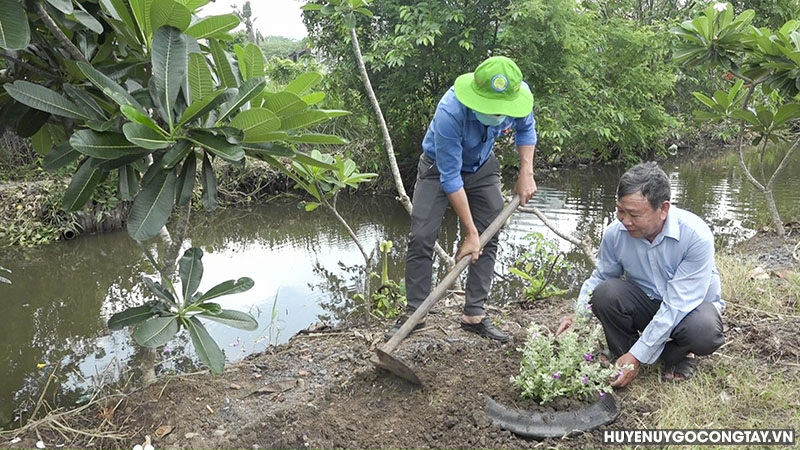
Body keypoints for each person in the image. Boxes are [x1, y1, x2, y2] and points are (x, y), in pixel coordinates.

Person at [385, 56, 538, 343]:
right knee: (421, 235)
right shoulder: (450, 110)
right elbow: (451, 178)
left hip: (482, 166)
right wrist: (470, 233)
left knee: (490, 230)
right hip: (437, 168)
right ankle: (415, 312)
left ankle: (474, 314)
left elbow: (526, 130)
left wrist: (526, 172)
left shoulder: (519, 95)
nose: (496, 114)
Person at [556, 162, 725, 387]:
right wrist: (578, 316)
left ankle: (679, 354)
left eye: (634, 214)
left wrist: (638, 355)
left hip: (687, 310)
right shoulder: (616, 234)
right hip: (647, 303)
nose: (625, 221)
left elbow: (677, 303)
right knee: (605, 292)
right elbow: (601, 276)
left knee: (704, 331)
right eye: (620, 211)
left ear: (663, 209)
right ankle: (624, 349)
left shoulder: (696, 236)